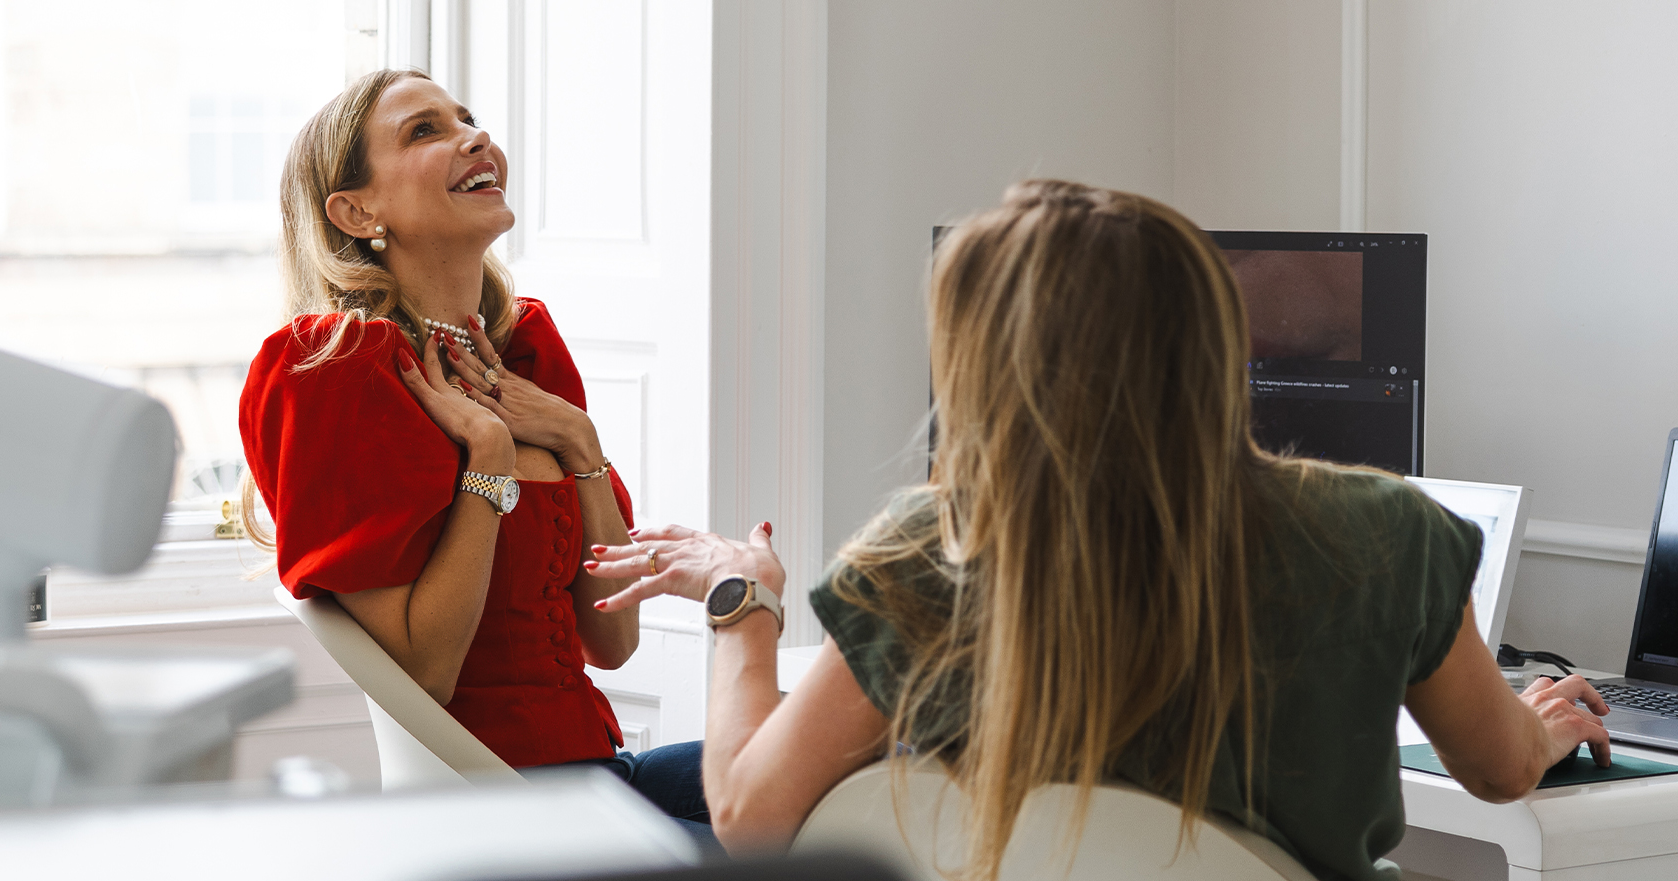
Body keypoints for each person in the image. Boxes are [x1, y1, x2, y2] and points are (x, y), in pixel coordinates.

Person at [587, 180, 1612, 879]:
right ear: (1214, 336)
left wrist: (743, 603)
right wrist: (1543, 721)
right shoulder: (1385, 532)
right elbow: (1498, 770)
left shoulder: (927, 554)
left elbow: (751, 815)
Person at [236, 68, 708, 837]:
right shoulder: (332, 367)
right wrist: (487, 459)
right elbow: (425, 675)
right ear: (358, 210)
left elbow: (612, 641)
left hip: (600, 775)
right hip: (497, 808)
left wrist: (578, 442)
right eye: (425, 131)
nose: (475, 137)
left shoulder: (525, 349)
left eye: (468, 119)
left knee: (849, 774)